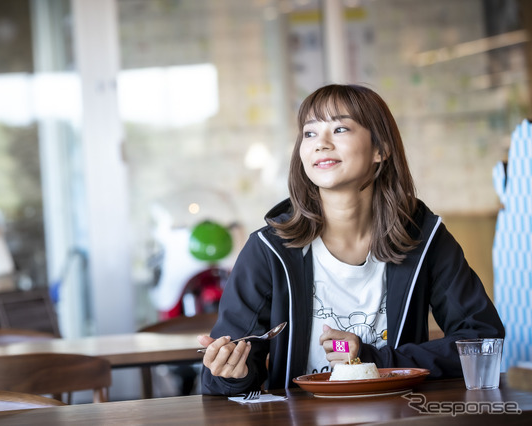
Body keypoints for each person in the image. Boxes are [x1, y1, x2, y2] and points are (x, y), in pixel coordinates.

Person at [197, 84, 505, 395]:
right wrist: (231, 372)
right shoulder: (269, 250)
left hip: (397, 414)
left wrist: (372, 360)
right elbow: (219, 376)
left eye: (340, 128)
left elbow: (483, 340)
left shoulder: (424, 240)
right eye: (310, 133)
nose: (321, 144)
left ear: (380, 149)